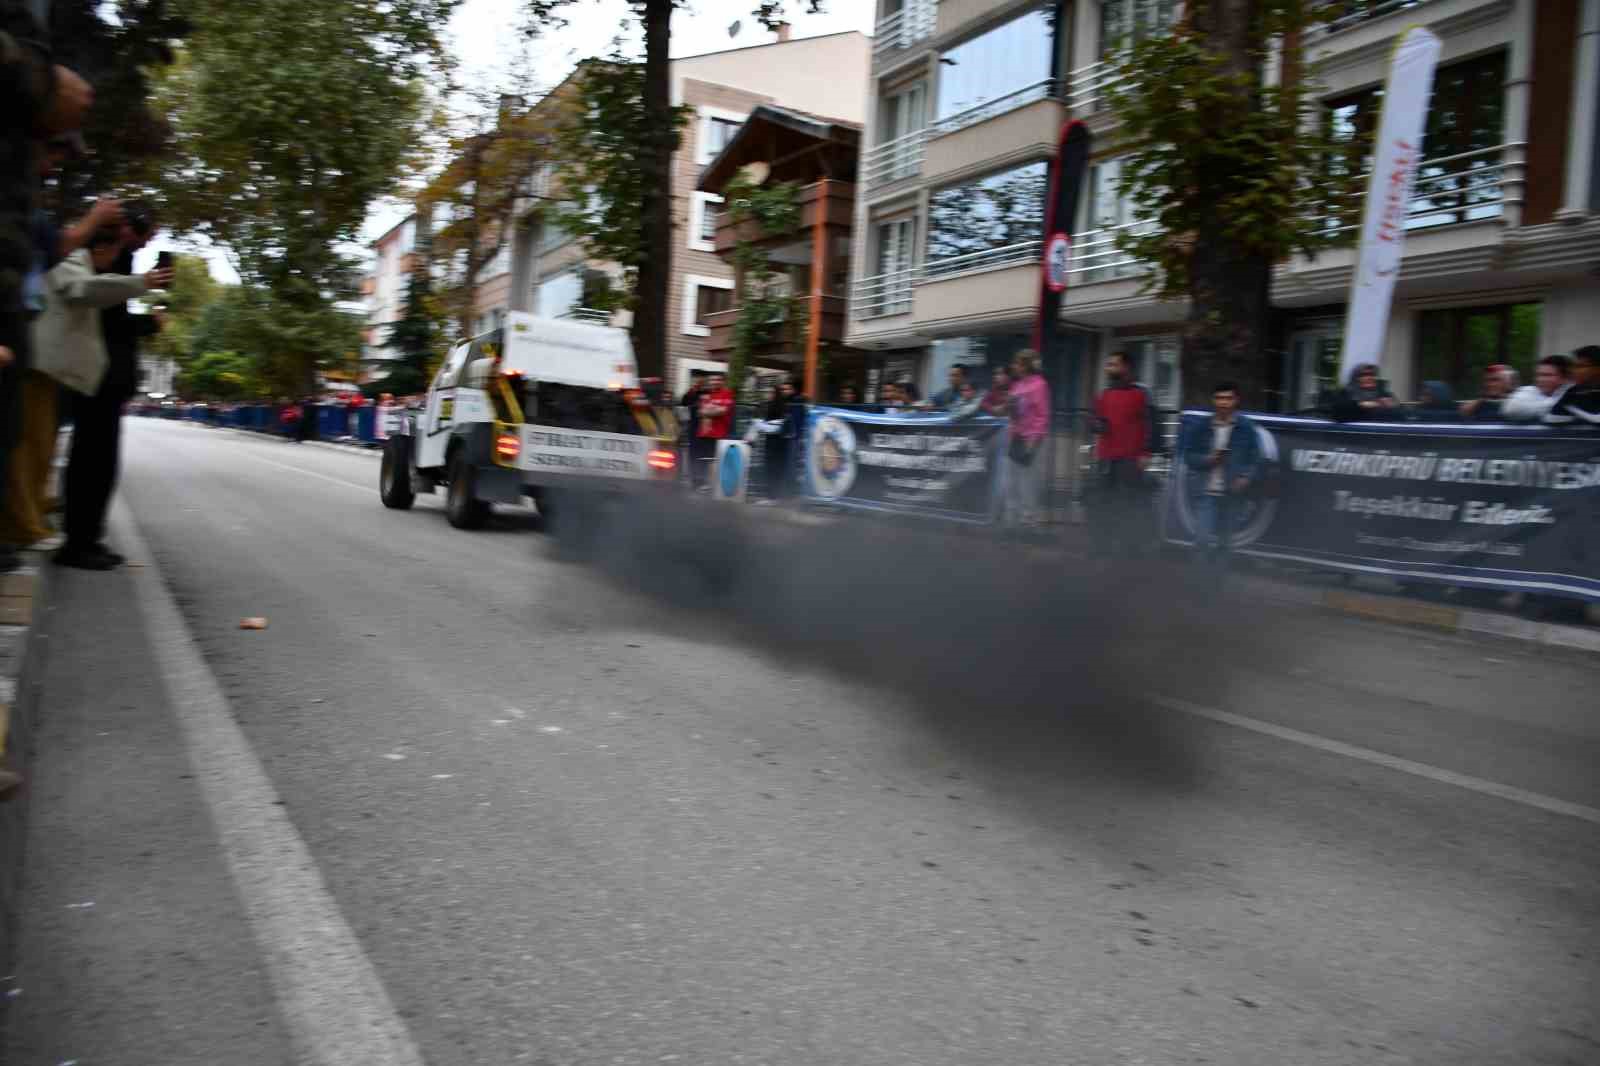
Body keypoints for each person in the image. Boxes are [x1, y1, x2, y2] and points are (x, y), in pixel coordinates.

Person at [2, 10, 95, 572]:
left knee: (21, 434)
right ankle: (17, 523)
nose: (54, 162)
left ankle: (18, 523)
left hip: (19, 315)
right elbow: (61, 263)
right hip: (22, 321)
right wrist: (38, 78)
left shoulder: (27, 191)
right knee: (20, 437)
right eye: (55, 149)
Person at [23, 224, 167, 568]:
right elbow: (86, 295)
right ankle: (76, 541)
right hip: (86, 378)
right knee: (88, 459)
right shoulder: (77, 262)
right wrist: (142, 288)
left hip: (95, 379)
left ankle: (85, 538)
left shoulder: (98, 262)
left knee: (95, 460)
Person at [1179, 381, 1260, 574]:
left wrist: (1245, 477)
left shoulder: (1246, 427)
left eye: (1228, 398)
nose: (1223, 403)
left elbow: (1255, 458)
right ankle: (1198, 583)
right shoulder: (1202, 426)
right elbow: (1188, 456)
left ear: (1236, 400)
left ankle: (1218, 587)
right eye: (1219, 398)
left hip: (1232, 493)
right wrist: (1208, 459)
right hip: (1206, 491)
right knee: (1202, 540)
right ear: (1213, 400)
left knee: (1225, 543)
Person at [1090, 351, 1158, 556]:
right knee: (1104, 500)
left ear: (1125, 367)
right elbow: (1097, 421)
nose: (1108, 368)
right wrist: (1095, 425)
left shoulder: (1141, 392)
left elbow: (1151, 423)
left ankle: (1132, 546)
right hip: (1106, 456)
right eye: (1108, 364)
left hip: (1131, 457)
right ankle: (1104, 544)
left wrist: (1146, 452)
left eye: (1113, 364)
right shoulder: (1104, 394)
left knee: (1130, 502)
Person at [1004, 349, 1051, 528]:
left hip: (1030, 438)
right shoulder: (1017, 385)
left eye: (1017, 363)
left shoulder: (1039, 385)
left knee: (1028, 481)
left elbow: (1042, 415)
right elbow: (1013, 412)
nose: (1014, 366)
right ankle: (1012, 516)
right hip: (1015, 436)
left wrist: (1033, 441)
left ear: (1025, 365)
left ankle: (1028, 518)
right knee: (1010, 480)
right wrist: (1009, 405)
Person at [693, 372, 734, 490]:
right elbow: (699, 412)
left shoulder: (727, 393)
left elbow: (723, 411)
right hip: (704, 433)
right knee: (704, 459)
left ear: (722, 381)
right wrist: (713, 409)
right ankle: (704, 484)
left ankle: (714, 485)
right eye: (712, 380)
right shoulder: (706, 395)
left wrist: (709, 410)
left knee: (715, 460)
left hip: (719, 433)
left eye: (718, 380)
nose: (714, 382)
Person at [1502, 355, 1572, 422]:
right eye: (1538, 375)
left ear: (1564, 378)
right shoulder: (1529, 390)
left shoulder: (1573, 393)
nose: (1540, 379)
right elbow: (1511, 410)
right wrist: (1555, 406)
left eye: (1547, 375)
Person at [1542, 346, 1600, 426]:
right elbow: (1552, 418)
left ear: (1597, 369)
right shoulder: (1574, 391)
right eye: (1574, 366)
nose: (1574, 371)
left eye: (1581, 366)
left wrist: (1574, 412)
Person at [763, 377, 798, 499]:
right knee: (772, 468)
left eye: (771, 392)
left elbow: (779, 425)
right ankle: (772, 495)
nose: (768, 395)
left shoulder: (781, 407)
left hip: (778, 442)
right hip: (772, 441)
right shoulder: (770, 406)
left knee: (776, 468)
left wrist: (765, 426)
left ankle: (773, 496)